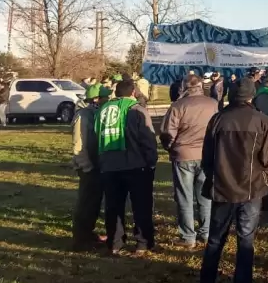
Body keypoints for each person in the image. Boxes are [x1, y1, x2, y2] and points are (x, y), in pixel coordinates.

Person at [193, 78, 268, 283]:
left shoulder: (218, 119)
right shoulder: (262, 120)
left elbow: (207, 158)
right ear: (252, 96)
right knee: (245, 240)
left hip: (223, 188)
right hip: (250, 190)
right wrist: (264, 178)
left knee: (216, 239)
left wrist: (215, 176)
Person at [95, 80, 158, 256]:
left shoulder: (103, 110)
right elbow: (147, 139)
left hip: (108, 165)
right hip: (135, 165)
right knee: (141, 205)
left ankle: (115, 243)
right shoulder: (136, 110)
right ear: (133, 93)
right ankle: (142, 243)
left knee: (113, 206)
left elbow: (95, 136)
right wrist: (151, 161)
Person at [160, 73, 218, 249]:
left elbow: (167, 133)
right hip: (206, 155)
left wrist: (171, 147)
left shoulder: (178, 106)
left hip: (183, 154)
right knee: (205, 195)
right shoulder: (213, 104)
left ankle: (188, 236)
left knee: (184, 197)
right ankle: (206, 233)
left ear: (184, 87)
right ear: (201, 86)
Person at [71, 84, 109, 250]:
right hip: (87, 167)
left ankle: (89, 233)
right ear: (96, 99)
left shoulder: (95, 113)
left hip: (96, 165)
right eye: (105, 97)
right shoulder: (82, 116)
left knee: (94, 202)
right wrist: (86, 166)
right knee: (86, 202)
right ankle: (81, 238)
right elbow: (78, 144)